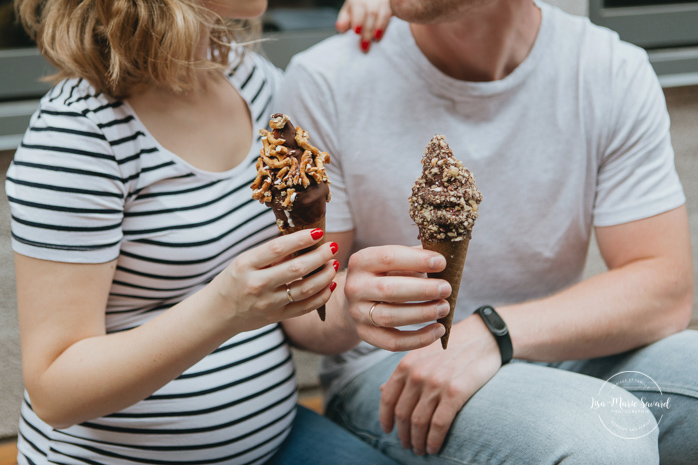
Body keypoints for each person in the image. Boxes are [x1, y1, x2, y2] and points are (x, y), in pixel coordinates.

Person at [277, 0, 698, 463]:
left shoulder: (610, 69)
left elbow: (665, 287)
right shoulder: (326, 78)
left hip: (549, 342)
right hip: (391, 367)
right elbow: (301, 316)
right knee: (605, 438)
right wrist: (351, 307)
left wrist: (493, 334)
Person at [6, 0, 400, 464]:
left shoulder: (251, 77)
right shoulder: (78, 134)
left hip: (274, 441)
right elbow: (56, 393)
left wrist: (356, 301)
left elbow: (297, 310)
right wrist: (225, 307)